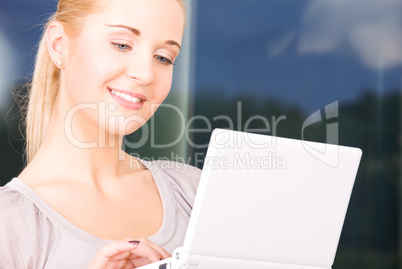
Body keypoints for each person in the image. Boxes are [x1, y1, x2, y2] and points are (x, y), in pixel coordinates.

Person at [0, 0, 201, 268]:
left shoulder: (194, 193)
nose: (145, 74)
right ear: (60, 44)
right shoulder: (9, 225)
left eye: (163, 58)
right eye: (122, 45)